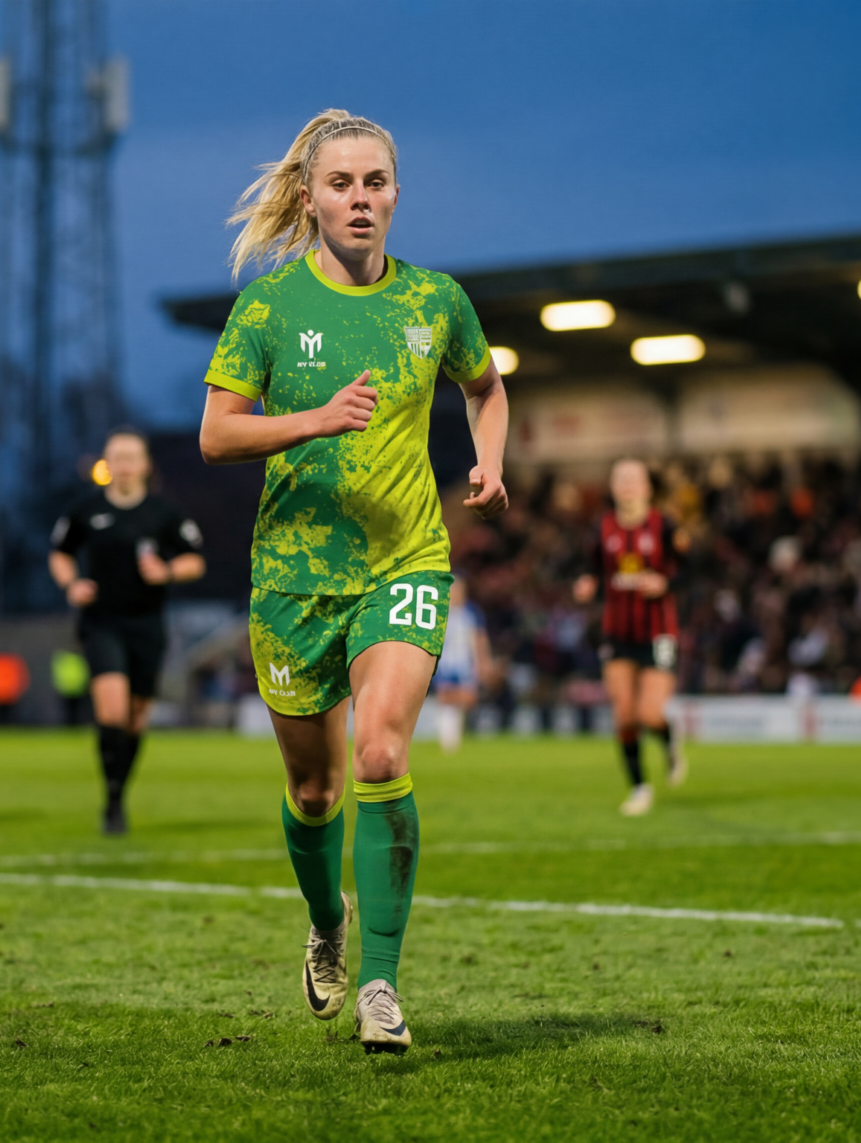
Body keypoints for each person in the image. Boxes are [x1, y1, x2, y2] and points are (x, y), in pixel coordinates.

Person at [200, 109, 510, 1054]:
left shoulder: (437, 302)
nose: (360, 199)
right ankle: (327, 924)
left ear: (396, 193)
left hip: (406, 560)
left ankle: (380, 977)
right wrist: (316, 419)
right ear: (311, 197)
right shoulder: (269, 308)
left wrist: (490, 460)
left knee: (380, 752)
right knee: (314, 794)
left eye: (375, 182)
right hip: (293, 582)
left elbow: (485, 385)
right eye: (342, 184)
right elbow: (217, 434)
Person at [49, 429, 207, 835]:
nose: (123, 464)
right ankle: (112, 801)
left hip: (147, 624)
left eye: (130, 457)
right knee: (113, 711)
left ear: (144, 464)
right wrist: (72, 585)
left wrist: (168, 571)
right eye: (115, 457)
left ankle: (119, 791)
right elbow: (60, 554)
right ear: (107, 464)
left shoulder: (163, 514)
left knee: (136, 720)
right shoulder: (85, 511)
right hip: (101, 622)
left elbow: (195, 560)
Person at [573, 458, 686, 816]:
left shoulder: (665, 525)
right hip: (617, 632)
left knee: (650, 714)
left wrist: (666, 582)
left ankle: (669, 740)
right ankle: (640, 787)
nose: (627, 485)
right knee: (625, 716)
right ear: (612, 487)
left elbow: (694, 571)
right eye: (619, 478)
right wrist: (587, 583)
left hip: (658, 631)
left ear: (647, 487)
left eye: (633, 479)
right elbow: (590, 566)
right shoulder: (602, 528)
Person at [430, 576, 490, 754]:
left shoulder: (471, 612)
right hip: (445, 662)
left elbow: (479, 638)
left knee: (466, 698)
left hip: (465, 663)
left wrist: (482, 660)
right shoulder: (440, 610)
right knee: (445, 697)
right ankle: (448, 742)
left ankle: (457, 735)